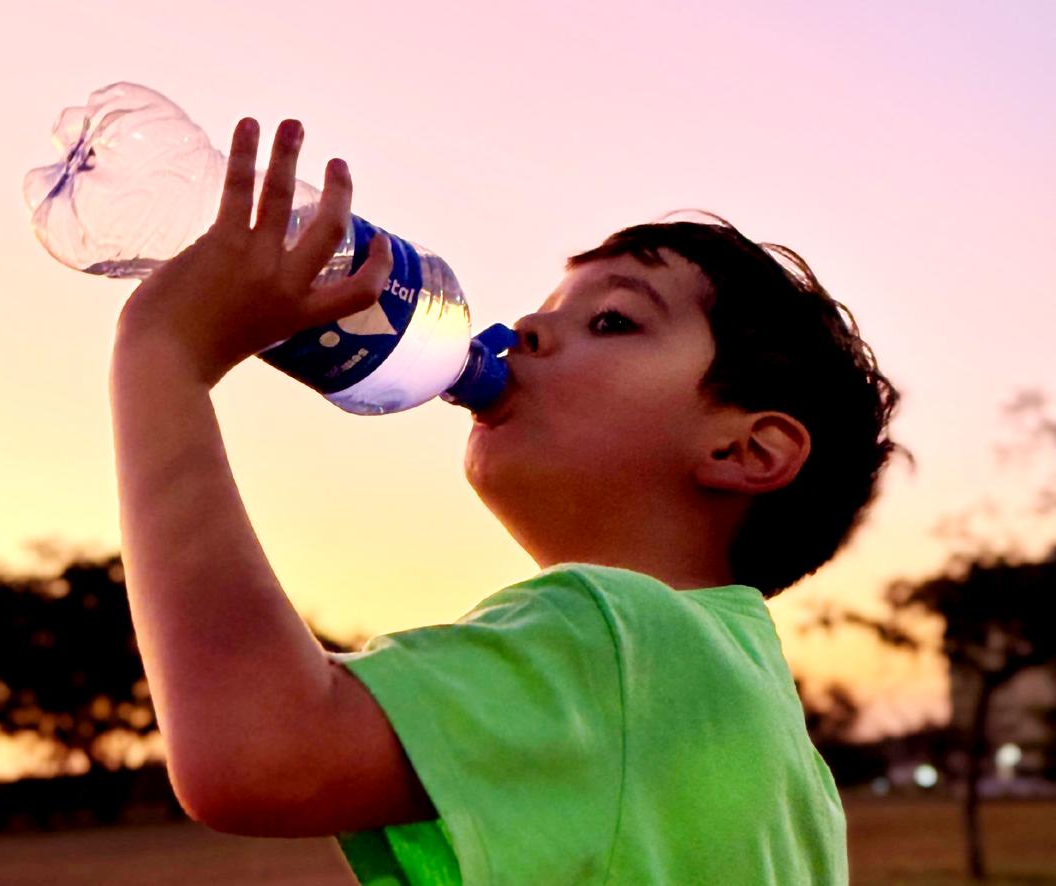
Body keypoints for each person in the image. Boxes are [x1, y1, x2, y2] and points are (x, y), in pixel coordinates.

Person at [108, 116, 906, 884]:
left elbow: (258, 748)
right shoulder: (754, 724)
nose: (523, 327)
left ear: (744, 451)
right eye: (546, 307)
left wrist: (162, 362)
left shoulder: (624, 639)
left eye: (611, 320)